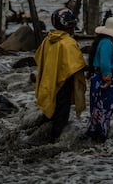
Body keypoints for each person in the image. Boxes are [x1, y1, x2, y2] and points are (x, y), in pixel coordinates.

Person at [34, 8, 87, 142]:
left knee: (51, 107)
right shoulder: (68, 43)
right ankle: (55, 141)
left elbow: (39, 57)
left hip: (49, 81)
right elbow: (77, 65)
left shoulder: (48, 39)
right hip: (64, 82)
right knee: (62, 114)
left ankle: (41, 134)